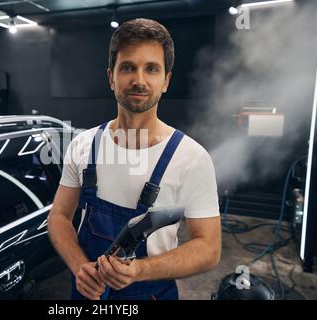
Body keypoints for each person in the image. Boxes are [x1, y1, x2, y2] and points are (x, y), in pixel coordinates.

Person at [47, 18, 221, 300]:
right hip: (87, 294)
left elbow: (209, 249)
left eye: (151, 69)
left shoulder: (191, 158)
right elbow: (59, 217)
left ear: (165, 81)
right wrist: (80, 266)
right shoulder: (82, 145)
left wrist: (140, 270)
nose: (139, 80)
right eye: (128, 67)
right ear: (110, 77)